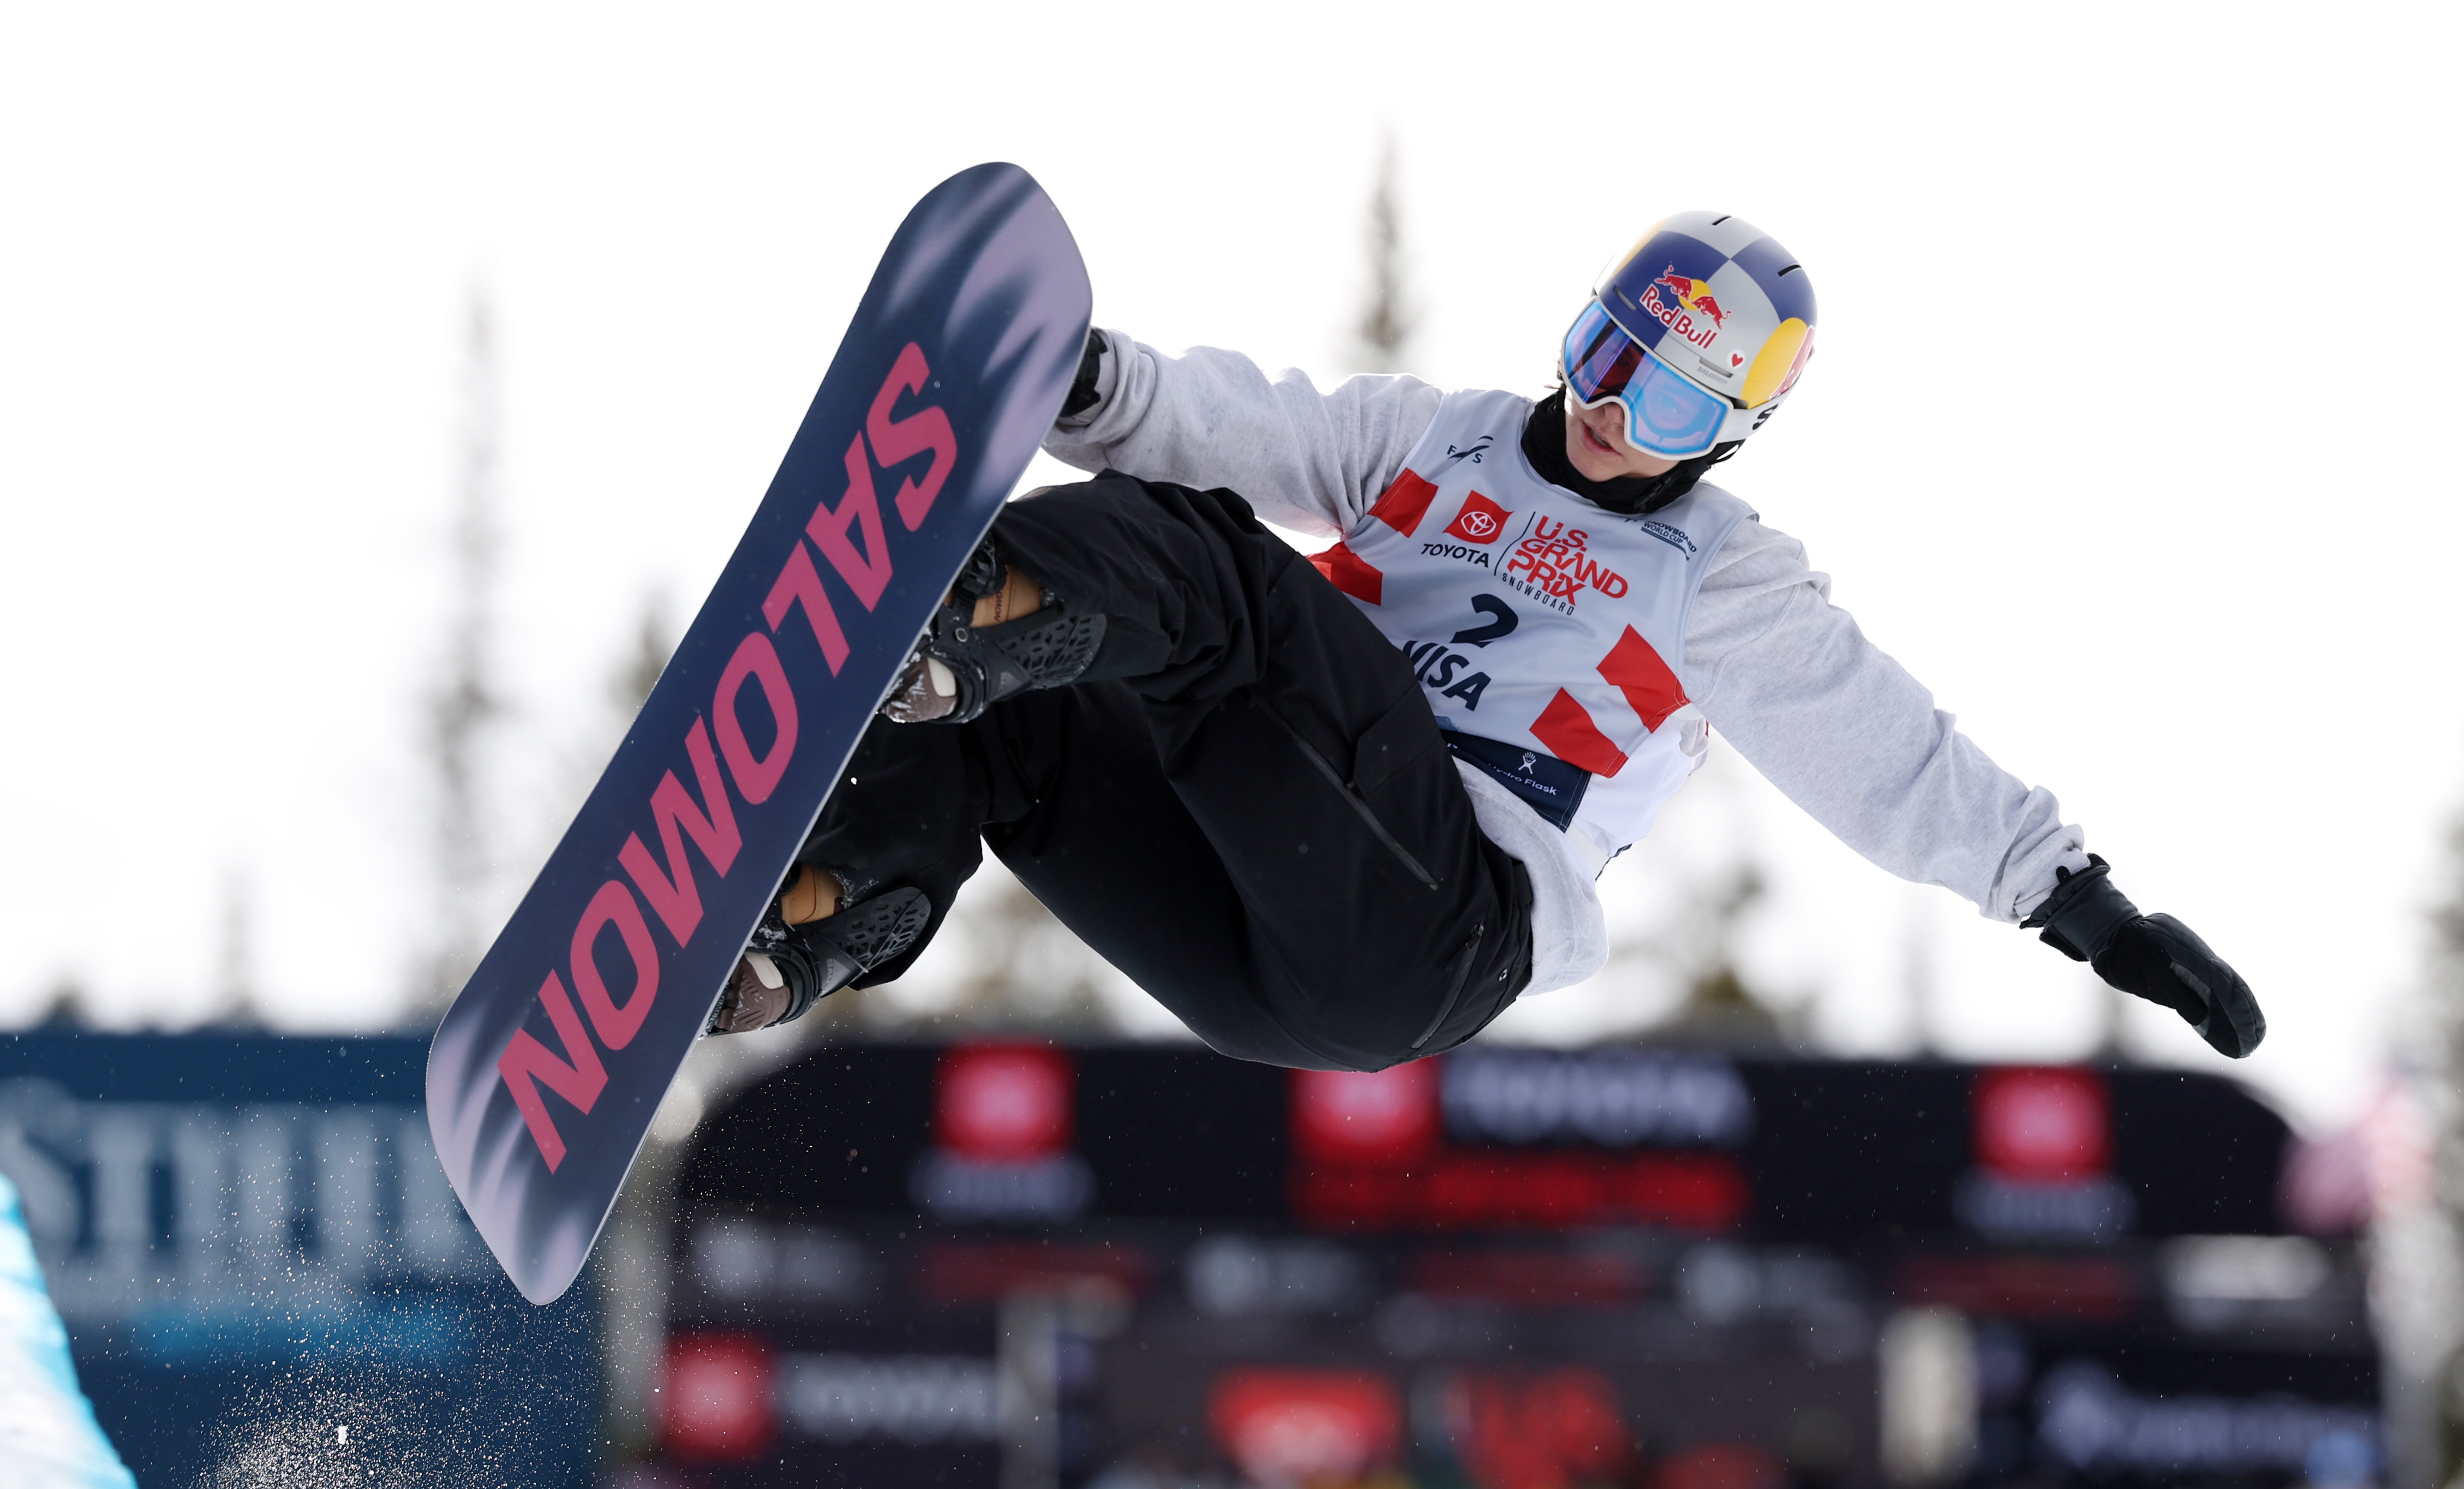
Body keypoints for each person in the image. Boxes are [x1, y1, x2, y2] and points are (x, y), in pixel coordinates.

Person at [703, 211, 2264, 1071]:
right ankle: (820, 925)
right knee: (1020, 721)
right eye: (1605, 352)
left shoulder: (1716, 577)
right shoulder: (1429, 443)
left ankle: (949, 609)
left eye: (1659, 400)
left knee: (1214, 573)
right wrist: (1083, 380)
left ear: (1724, 433)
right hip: (1254, 926)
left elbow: (1886, 751)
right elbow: (1231, 420)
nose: (1605, 407)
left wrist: (2082, 908)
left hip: (1429, 920)